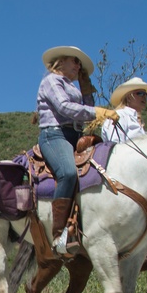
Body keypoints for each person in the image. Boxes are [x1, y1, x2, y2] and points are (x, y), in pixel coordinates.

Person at [35, 45, 120, 255]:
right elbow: (64, 107)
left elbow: (86, 111)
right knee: (69, 172)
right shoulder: (51, 81)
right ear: (60, 61)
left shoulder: (72, 87)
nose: (78, 65)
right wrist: (98, 111)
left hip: (75, 136)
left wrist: (86, 89)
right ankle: (59, 234)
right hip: (55, 135)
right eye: (75, 61)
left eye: (79, 63)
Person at [101, 77, 147, 143]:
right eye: (140, 93)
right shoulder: (119, 115)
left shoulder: (137, 120)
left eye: (145, 94)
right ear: (129, 97)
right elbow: (115, 145)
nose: (144, 97)